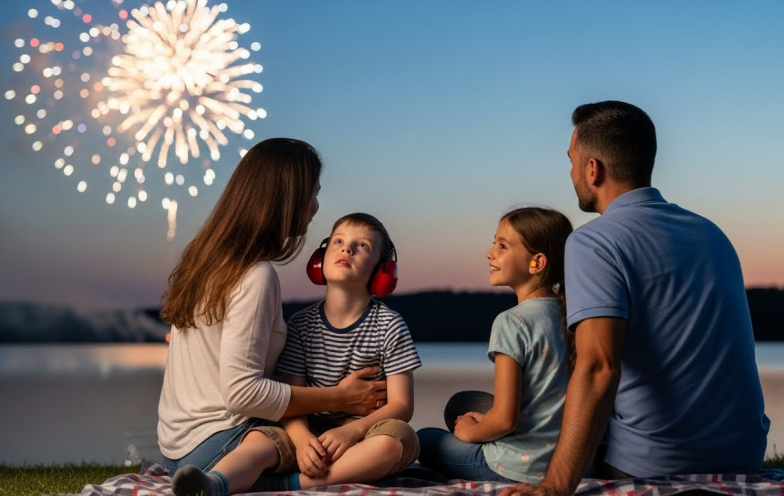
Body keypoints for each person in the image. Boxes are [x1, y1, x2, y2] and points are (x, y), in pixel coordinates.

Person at [501, 101, 770, 496]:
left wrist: (555, 486)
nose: (572, 172)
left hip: (655, 465)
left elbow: (598, 369)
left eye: (572, 161)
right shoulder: (710, 233)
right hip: (743, 455)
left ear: (593, 169)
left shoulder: (595, 241)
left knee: (501, 419)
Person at [157, 139, 387, 486]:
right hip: (223, 444)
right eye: (312, 193)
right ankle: (279, 484)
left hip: (175, 451)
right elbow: (243, 393)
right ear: (288, 198)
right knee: (354, 446)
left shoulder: (204, 263)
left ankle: (231, 481)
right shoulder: (255, 275)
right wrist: (341, 397)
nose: (315, 206)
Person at [171, 213, 421, 495]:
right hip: (305, 426)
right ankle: (215, 483)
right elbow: (289, 395)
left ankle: (290, 484)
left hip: (363, 431)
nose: (346, 249)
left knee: (401, 440)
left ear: (382, 270)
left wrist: (351, 432)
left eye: (361, 245)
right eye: (338, 241)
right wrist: (302, 440)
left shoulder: (390, 325)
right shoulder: (301, 325)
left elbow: (402, 406)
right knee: (260, 440)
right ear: (320, 258)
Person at [417, 207, 574, 484]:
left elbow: (504, 421)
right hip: (568, 458)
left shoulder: (512, 322)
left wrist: (469, 433)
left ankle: (480, 446)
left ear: (536, 263)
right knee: (461, 403)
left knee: (424, 439)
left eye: (502, 245)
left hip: (516, 467)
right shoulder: (570, 315)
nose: (489, 253)